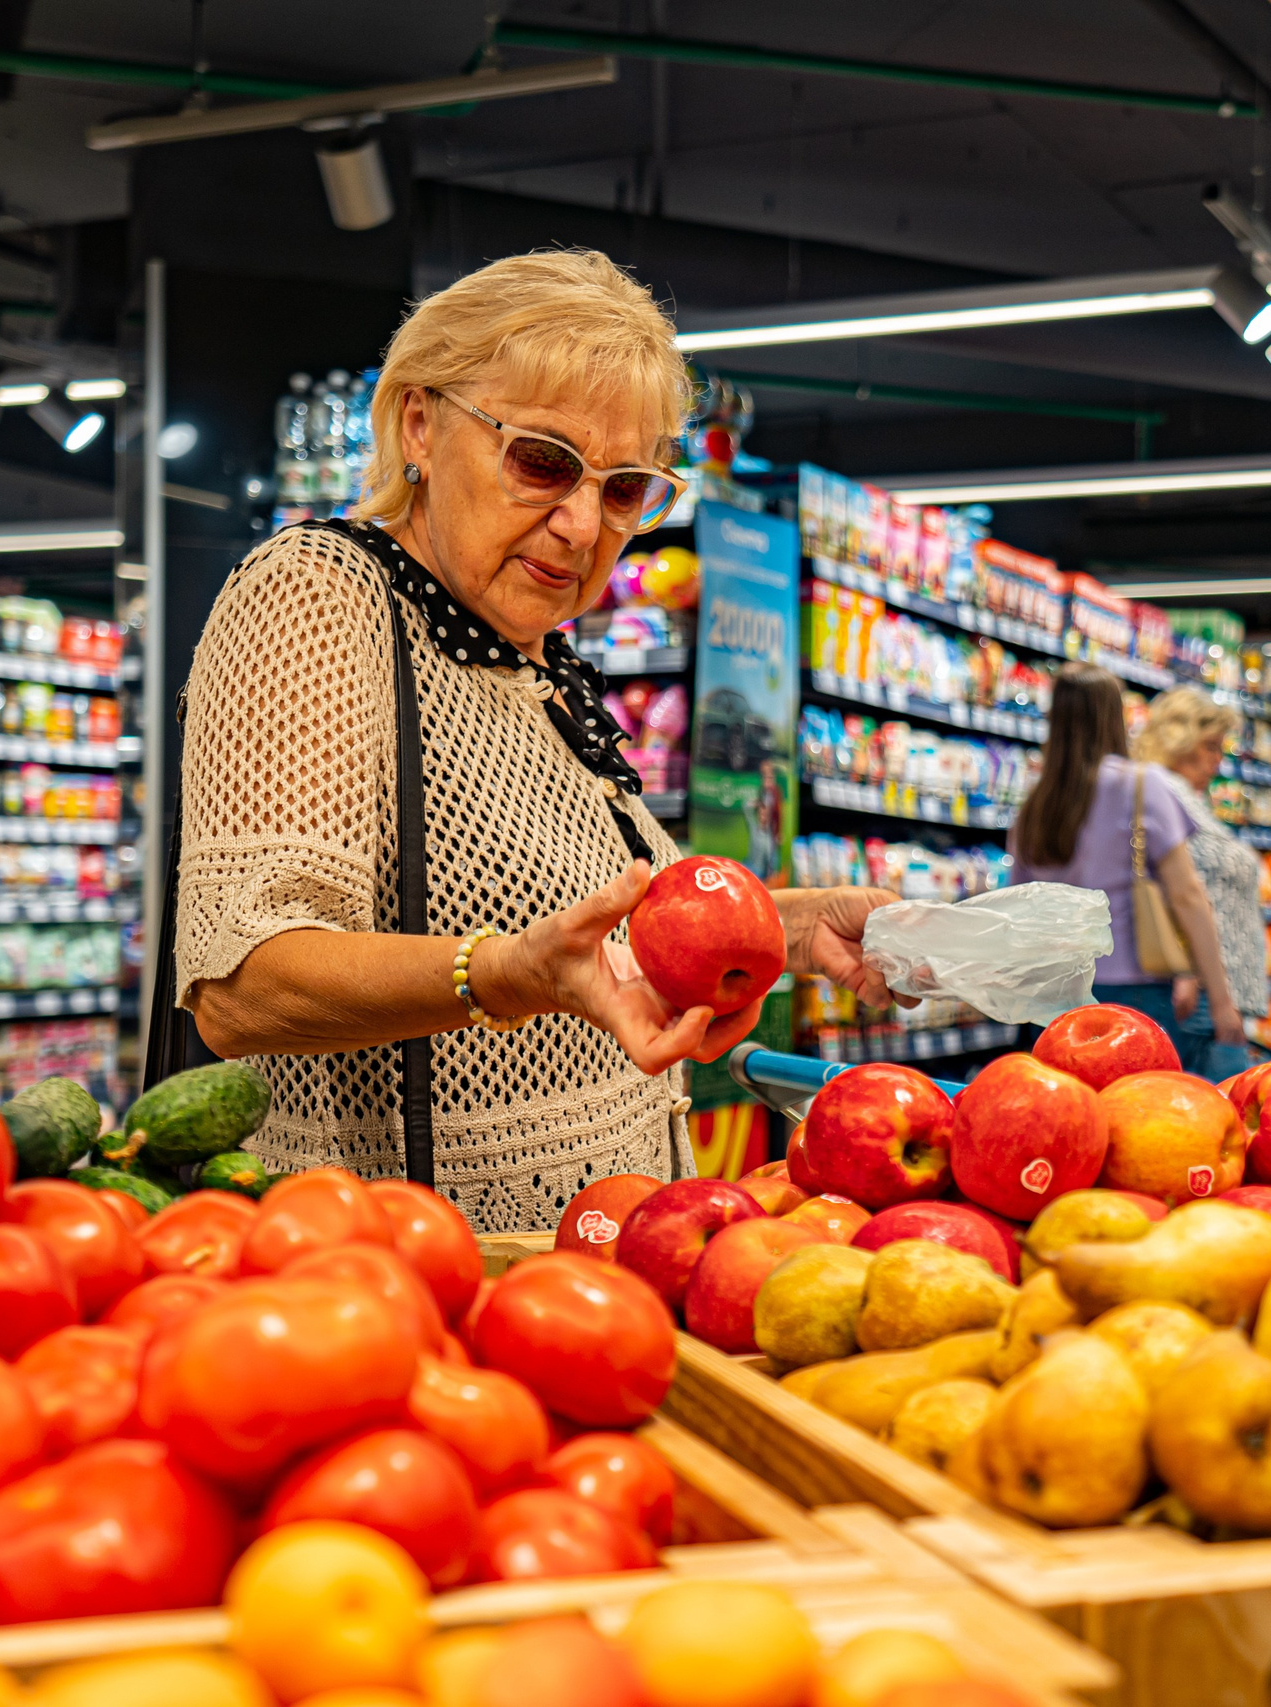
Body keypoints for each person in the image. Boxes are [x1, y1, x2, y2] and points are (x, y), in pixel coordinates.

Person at [170, 249, 902, 1231]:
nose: (581, 524)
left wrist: (797, 926)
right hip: (411, 1273)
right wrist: (502, 975)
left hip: (597, 1264)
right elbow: (241, 985)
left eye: (624, 488)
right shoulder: (318, 595)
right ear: (419, 423)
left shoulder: (536, 664)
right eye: (543, 462)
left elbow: (589, 934)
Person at [1010, 664, 1241, 1074]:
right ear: (1113, 717)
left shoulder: (1035, 803)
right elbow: (1187, 895)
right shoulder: (1140, 786)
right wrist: (1222, 1002)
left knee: (1068, 1107)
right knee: (1138, 1106)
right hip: (1133, 993)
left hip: (1052, 996)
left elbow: (1019, 908)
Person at [1136, 687, 1268, 1078]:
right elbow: (1174, 889)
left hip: (1212, 991)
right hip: (1201, 995)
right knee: (1211, 1102)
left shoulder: (1184, 797)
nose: (1217, 759)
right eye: (1210, 746)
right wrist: (1192, 973)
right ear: (1178, 740)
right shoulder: (1165, 791)